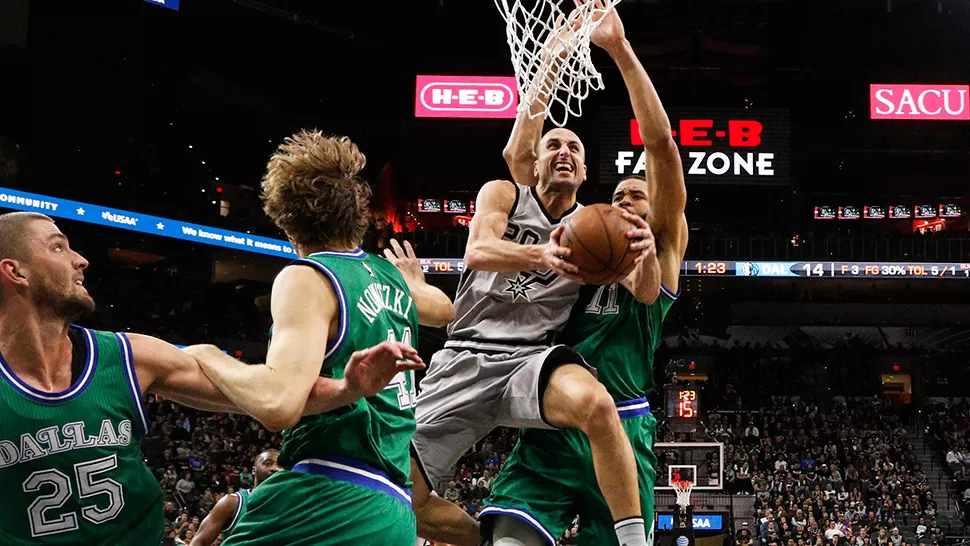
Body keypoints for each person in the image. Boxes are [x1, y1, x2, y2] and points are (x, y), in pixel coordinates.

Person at [410, 6, 658, 546]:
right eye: (554, 145)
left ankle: (634, 539)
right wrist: (553, 55)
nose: (564, 151)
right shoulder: (503, 194)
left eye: (575, 148)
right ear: (534, 162)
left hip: (532, 361)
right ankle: (490, 539)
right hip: (466, 356)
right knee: (402, 498)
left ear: (587, 171)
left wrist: (644, 248)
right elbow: (477, 251)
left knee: (596, 404)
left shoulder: (598, 229)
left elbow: (644, 293)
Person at [186, 130, 455, 545]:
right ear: (359, 212)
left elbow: (278, 404)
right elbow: (444, 307)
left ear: (286, 222)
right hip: (393, 507)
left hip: (327, 495)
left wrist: (209, 354)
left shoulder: (306, 278)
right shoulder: (391, 279)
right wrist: (413, 281)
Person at [480, 5, 688, 541]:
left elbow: (661, 147)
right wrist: (550, 59)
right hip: (558, 411)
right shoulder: (577, 242)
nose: (623, 202)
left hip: (623, 421)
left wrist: (618, 50)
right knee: (509, 536)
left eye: (636, 196)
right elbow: (524, 158)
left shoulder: (661, 246)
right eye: (616, 196)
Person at [190, 449, 281, 546]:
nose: (275, 468)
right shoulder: (232, 502)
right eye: (268, 463)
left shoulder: (289, 504)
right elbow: (199, 541)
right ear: (254, 470)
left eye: (280, 465)